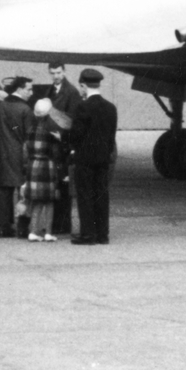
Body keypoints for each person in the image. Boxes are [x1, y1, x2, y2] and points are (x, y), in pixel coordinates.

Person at [67, 68, 117, 245]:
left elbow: (76, 135)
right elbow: (111, 137)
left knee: (85, 196)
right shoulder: (111, 108)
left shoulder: (82, 107)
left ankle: (88, 234)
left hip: (85, 160)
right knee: (102, 196)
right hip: (103, 159)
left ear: (83, 85)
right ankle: (103, 234)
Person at [0, 76, 35, 238]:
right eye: (29, 89)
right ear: (19, 89)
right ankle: (23, 228)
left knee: (4, 191)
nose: (31, 93)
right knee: (23, 192)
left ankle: (4, 226)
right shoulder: (25, 109)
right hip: (20, 154)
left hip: (2, 153)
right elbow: (29, 136)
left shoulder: (0, 107)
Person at [22, 98, 68, 242]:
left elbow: (25, 151)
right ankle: (48, 232)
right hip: (48, 166)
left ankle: (33, 231)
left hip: (33, 165)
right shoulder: (51, 131)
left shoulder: (29, 130)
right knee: (49, 201)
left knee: (36, 201)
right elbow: (55, 153)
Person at [46, 62, 84, 236]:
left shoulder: (71, 92)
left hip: (62, 143)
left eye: (59, 72)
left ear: (64, 72)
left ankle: (63, 224)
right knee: (57, 185)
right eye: (53, 72)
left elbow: (72, 120)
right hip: (54, 142)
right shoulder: (51, 90)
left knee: (63, 186)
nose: (56, 76)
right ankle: (57, 223)